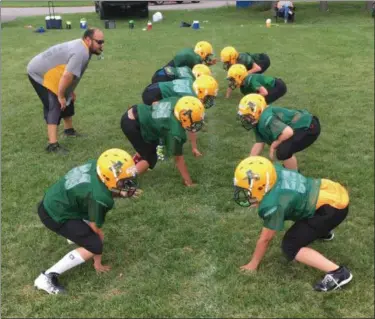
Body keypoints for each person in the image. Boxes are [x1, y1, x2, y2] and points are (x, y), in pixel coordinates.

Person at [233, 155, 352, 292]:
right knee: (301, 207)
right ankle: (322, 231)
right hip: (330, 190)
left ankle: (338, 273)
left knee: (290, 246)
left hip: (331, 209)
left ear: (261, 188)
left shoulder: (272, 204)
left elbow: (265, 239)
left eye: (247, 189)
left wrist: (253, 264)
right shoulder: (274, 171)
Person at [34, 148, 140, 294]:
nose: (127, 183)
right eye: (123, 181)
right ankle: (46, 277)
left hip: (57, 200)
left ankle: (74, 236)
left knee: (90, 235)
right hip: (55, 214)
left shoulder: (96, 165)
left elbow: (96, 189)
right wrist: (98, 260)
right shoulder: (101, 198)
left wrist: (120, 191)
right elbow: (96, 227)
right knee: (94, 244)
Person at [27, 28, 105, 154]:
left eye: (102, 42)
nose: (102, 45)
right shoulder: (81, 52)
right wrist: (61, 95)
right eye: (99, 42)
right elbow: (67, 76)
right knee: (54, 103)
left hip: (55, 73)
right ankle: (52, 145)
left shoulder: (85, 48)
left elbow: (70, 74)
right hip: (39, 73)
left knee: (68, 97)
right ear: (88, 40)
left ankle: (69, 131)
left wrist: (69, 91)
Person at [120, 96, 205, 186]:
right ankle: (123, 181)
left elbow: (155, 104)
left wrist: (155, 122)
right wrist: (189, 182)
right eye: (195, 121)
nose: (197, 124)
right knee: (149, 158)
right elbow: (178, 159)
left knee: (149, 145)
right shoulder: (175, 132)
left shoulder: (176, 102)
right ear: (183, 117)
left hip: (136, 111)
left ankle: (134, 163)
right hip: (132, 124)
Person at [236, 94, 320, 170]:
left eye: (247, 116)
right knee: (284, 149)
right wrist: (249, 162)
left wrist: (273, 145)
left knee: (283, 151)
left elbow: (288, 132)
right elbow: (259, 143)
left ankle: (293, 175)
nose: (245, 119)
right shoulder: (258, 120)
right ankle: (292, 172)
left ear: (257, 110)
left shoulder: (266, 118)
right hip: (304, 125)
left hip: (308, 126)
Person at [142, 75, 219, 109]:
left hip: (153, 87)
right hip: (153, 96)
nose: (209, 99)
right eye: (208, 96)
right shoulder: (191, 97)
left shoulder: (190, 81)